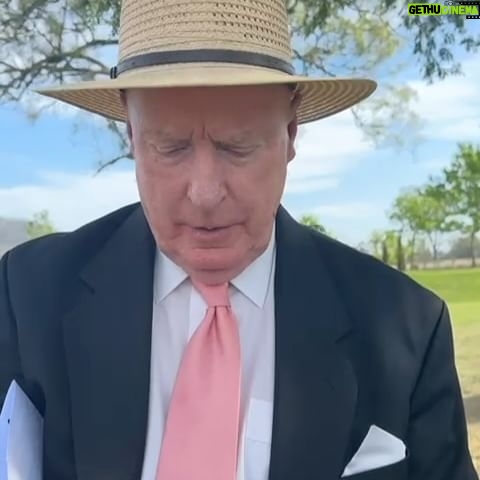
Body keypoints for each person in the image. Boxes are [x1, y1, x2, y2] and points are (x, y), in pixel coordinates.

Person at [0, 0, 477, 479]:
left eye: (238, 146)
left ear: (291, 134)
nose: (205, 193)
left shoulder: (407, 326)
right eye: (170, 147)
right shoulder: (29, 295)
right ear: (131, 134)